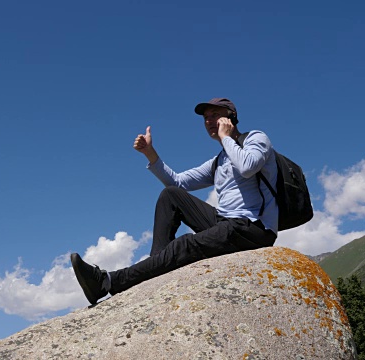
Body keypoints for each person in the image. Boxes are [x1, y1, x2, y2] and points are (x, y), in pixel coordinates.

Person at [71, 98, 279, 305]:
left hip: (253, 228)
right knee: (171, 195)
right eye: (206, 118)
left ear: (231, 117)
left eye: (214, 115)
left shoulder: (255, 138)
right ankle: (154, 266)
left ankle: (107, 282)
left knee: (185, 244)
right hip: (226, 222)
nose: (208, 121)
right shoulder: (220, 160)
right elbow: (177, 182)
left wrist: (226, 137)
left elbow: (248, 167)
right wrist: (150, 154)